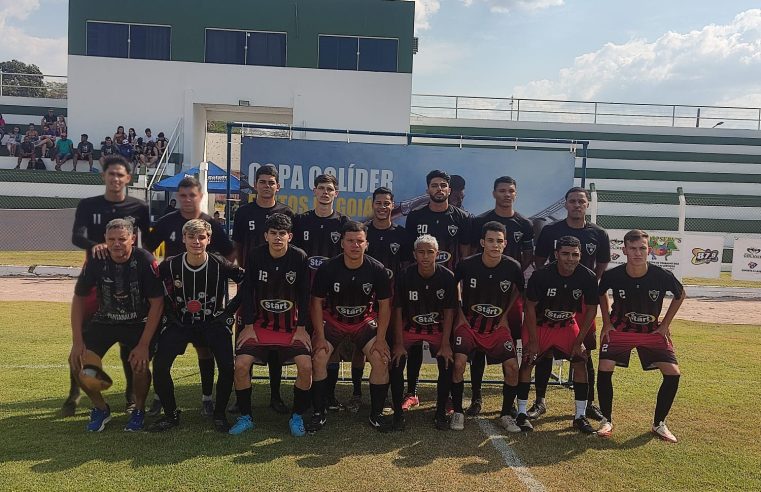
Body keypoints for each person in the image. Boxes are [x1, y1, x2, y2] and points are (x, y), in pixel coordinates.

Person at [62, 155, 151, 417]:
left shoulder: (139, 206)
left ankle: (131, 396)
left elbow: (148, 239)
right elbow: (77, 236)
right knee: (83, 338)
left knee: (128, 338)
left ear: (128, 178)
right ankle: (74, 393)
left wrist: (146, 264)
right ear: (104, 176)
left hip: (129, 276)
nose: (115, 179)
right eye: (111, 174)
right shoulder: (89, 205)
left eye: (120, 175)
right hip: (95, 278)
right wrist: (96, 246)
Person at [143, 176, 234, 417]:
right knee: (162, 354)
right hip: (175, 300)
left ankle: (207, 398)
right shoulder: (167, 222)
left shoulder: (210, 224)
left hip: (205, 298)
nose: (187, 200)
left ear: (200, 196)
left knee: (206, 351)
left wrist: (219, 271)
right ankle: (159, 399)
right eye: (182, 195)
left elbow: (229, 253)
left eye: (191, 195)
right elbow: (147, 250)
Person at [148, 219, 244, 433]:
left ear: (208, 239)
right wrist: (168, 313)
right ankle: (171, 415)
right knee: (161, 366)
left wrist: (228, 313)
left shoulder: (220, 263)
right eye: (191, 237)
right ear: (183, 239)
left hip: (213, 323)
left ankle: (219, 414)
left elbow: (247, 282)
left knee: (228, 368)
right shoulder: (170, 264)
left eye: (201, 237)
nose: (196, 241)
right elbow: (152, 287)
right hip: (180, 323)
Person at [68, 218, 164, 432]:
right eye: (111, 239)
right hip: (105, 321)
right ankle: (101, 409)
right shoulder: (96, 259)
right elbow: (79, 298)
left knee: (139, 364)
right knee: (76, 362)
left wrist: (143, 345)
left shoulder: (144, 261)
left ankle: (138, 410)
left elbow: (157, 304)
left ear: (133, 239)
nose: (116, 243)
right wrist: (77, 341)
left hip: (138, 322)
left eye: (122, 239)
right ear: (105, 240)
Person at [596, 229, 685, 442]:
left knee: (673, 373)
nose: (638, 253)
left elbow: (680, 295)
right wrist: (607, 323)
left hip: (651, 331)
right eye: (633, 248)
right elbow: (600, 293)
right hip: (620, 330)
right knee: (605, 367)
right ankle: (606, 420)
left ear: (649, 250)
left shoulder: (662, 275)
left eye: (642, 248)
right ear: (624, 250)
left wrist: (664, 325)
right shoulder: (612, 275)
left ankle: (659, 423)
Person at [531, 186, 610, 422]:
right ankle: (540, 401)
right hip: (552, 301)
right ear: (565, 204)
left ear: (587, 205)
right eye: (573, 201)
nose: (577, 205)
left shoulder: (599, 234)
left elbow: (602, 264)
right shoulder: (551, 231)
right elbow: (538, 261)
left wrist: (584, 284)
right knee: (544, 352)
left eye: (581, 201)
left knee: (584, 351)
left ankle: (588, 403)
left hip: (583, 302)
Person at [230, 213, 312, 437]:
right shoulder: (256, 256)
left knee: (306, 367)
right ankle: (245, 416)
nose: (278, 238)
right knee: (241, 365)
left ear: (290, 236)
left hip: (291, 328)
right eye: (273, 233)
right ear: (266, 235)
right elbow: (247, 291)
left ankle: (296, 417)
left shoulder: (299, 257)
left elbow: (305, 295)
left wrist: (302, 328)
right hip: (261, 325)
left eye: (282, 234)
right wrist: (248, 325)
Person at [308, 220, 392, 432]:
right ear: (342, 243)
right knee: (318, 356)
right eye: (350, 241)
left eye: (360, 241)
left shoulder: (377, 269)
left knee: (381, 359)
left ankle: (377, 414)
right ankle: (319, 412)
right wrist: (318, 335)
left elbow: (385, 306)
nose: (355, 245)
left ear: (366, 244)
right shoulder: (328, 268)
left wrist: (381, 339)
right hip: (334, 321)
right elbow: (316, 303)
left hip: (363, 322)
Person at [402, 169, 471, 410]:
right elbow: (409, 256)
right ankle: (411, 392)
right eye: (434, 185)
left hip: (449, 289)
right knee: (415, 339)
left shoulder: (462, 218)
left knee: (447, 342)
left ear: (449, 190)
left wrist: (460, 288)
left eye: (443, 185)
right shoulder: (416, 217)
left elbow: (464, 256)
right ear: (428, 189)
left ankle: (450, 396)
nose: (439, 189)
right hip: (418, 290)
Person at [466, 176, 534, 417]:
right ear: (494, 193)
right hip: (480, 294)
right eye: (502, 190)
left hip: (510, 294)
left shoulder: (525, 224)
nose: (507, 194)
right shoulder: (481, 221)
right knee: (477, 348)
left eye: (511, 191)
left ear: (516, 194)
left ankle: (510, 402)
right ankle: (475, 397)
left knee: (510, 345)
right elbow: (473, 255)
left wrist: (510, 272)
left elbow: (527, 257)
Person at [516, 236, 598, 434]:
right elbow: (529, 307)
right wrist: (533, 341)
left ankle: (579, 416)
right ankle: (521, 413)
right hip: (540, 325)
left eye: (575, 254)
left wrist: (579, 341)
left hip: (566, 324)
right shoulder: (542, 275)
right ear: (556, 254)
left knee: (581, 361)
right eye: (565, 254)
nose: (570, 259)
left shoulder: (587, 276)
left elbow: (592, 310)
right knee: (528, 361)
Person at [232, 164, 295, 414]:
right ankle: (240, 398)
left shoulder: (287, 212)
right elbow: (237, 245)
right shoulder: (243, 212)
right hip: (250, 286)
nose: (266, 186)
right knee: (243, 340)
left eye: (271, 182)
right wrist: (242, 274)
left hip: (278, 290)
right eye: (262, 182)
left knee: (275, 346)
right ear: (255, 185)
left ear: (278, 186)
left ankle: (276, 395)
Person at [451, 221, 525, 432]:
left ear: (505, 243)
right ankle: (457, 412)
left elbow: (519, 290)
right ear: (482, 242)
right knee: (458, 363)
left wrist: (505, 315)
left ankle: (505, 414)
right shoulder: (467, 264)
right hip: (469, 325)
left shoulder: (513, 266)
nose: (495, 245)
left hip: (496, 327)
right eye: (490, 241)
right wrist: (460, 314)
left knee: (512, 367)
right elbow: (453, 285)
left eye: (499, 241)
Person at [351, 186, 412, 414]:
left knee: (391, 346)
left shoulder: (402, 235)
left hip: (393, 302)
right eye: (379, 203)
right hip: (364, 301)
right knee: (360, 348)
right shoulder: (363, 233)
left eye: (387, 203)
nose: (383, 207)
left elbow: (406, 269)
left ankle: (386, 394)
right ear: (373, 204)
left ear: (392, 206)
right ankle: (356, 393)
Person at [292, 173, 348, 412]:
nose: (325, 192)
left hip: (332, 297)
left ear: (336, 193)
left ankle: (328, 395)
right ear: (313, 191)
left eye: (330, 189)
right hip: (305, 295)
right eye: (321, 188)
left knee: (329, 347)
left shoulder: (343, 222)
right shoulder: (301, 221)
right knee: (305, 344)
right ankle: (307, 392)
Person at [390, 234, 456, 431]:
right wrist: (399, 344)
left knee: (446, 360)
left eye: (430, 252)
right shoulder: (405, 275)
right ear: (414, 254)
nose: (425, 256)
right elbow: (398, 310)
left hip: (437, 329)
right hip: (410, 328)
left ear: (437, 254)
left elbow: (450, 312)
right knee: (396, 360)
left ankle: (440, 411)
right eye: (421, 252)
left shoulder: (447, 277)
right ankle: (398, 414)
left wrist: (445, 344)